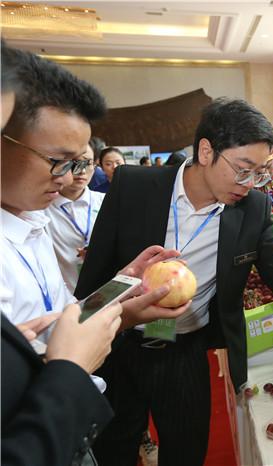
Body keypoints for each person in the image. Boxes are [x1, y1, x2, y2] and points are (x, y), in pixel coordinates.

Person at [75, 98, 273, 466]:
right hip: (116, 347)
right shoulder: (133, 186)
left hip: (184, 351)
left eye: (259, 172)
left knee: (187, 453)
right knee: (112, 452)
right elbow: (94, 278)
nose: (249, 184)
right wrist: (88, 332)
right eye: (242, 170)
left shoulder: (252, 209)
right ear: (206, 151)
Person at [0, 43, 186, 466]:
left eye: (79, 163)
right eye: (58, 161)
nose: (69, 178)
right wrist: (68, 368)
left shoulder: (33, 219)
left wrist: (122, 290)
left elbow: (67, 318)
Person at [44, 142, 105, 292]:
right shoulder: (42, 208)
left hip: (105, 291)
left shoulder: (107, 202)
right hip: (63, 295)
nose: (81, 170)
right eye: (74, 163)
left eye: (88, 163)